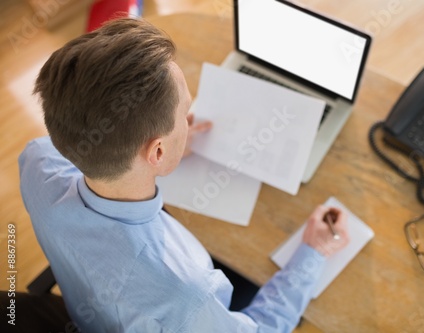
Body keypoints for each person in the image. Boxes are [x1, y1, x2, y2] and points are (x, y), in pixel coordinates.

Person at [19, 18, 350, 333]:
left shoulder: (36, 163)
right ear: (157, 151)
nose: (189, 118)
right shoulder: (187, 292)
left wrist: (164, 145)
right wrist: (313, 253)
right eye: (183, 115)